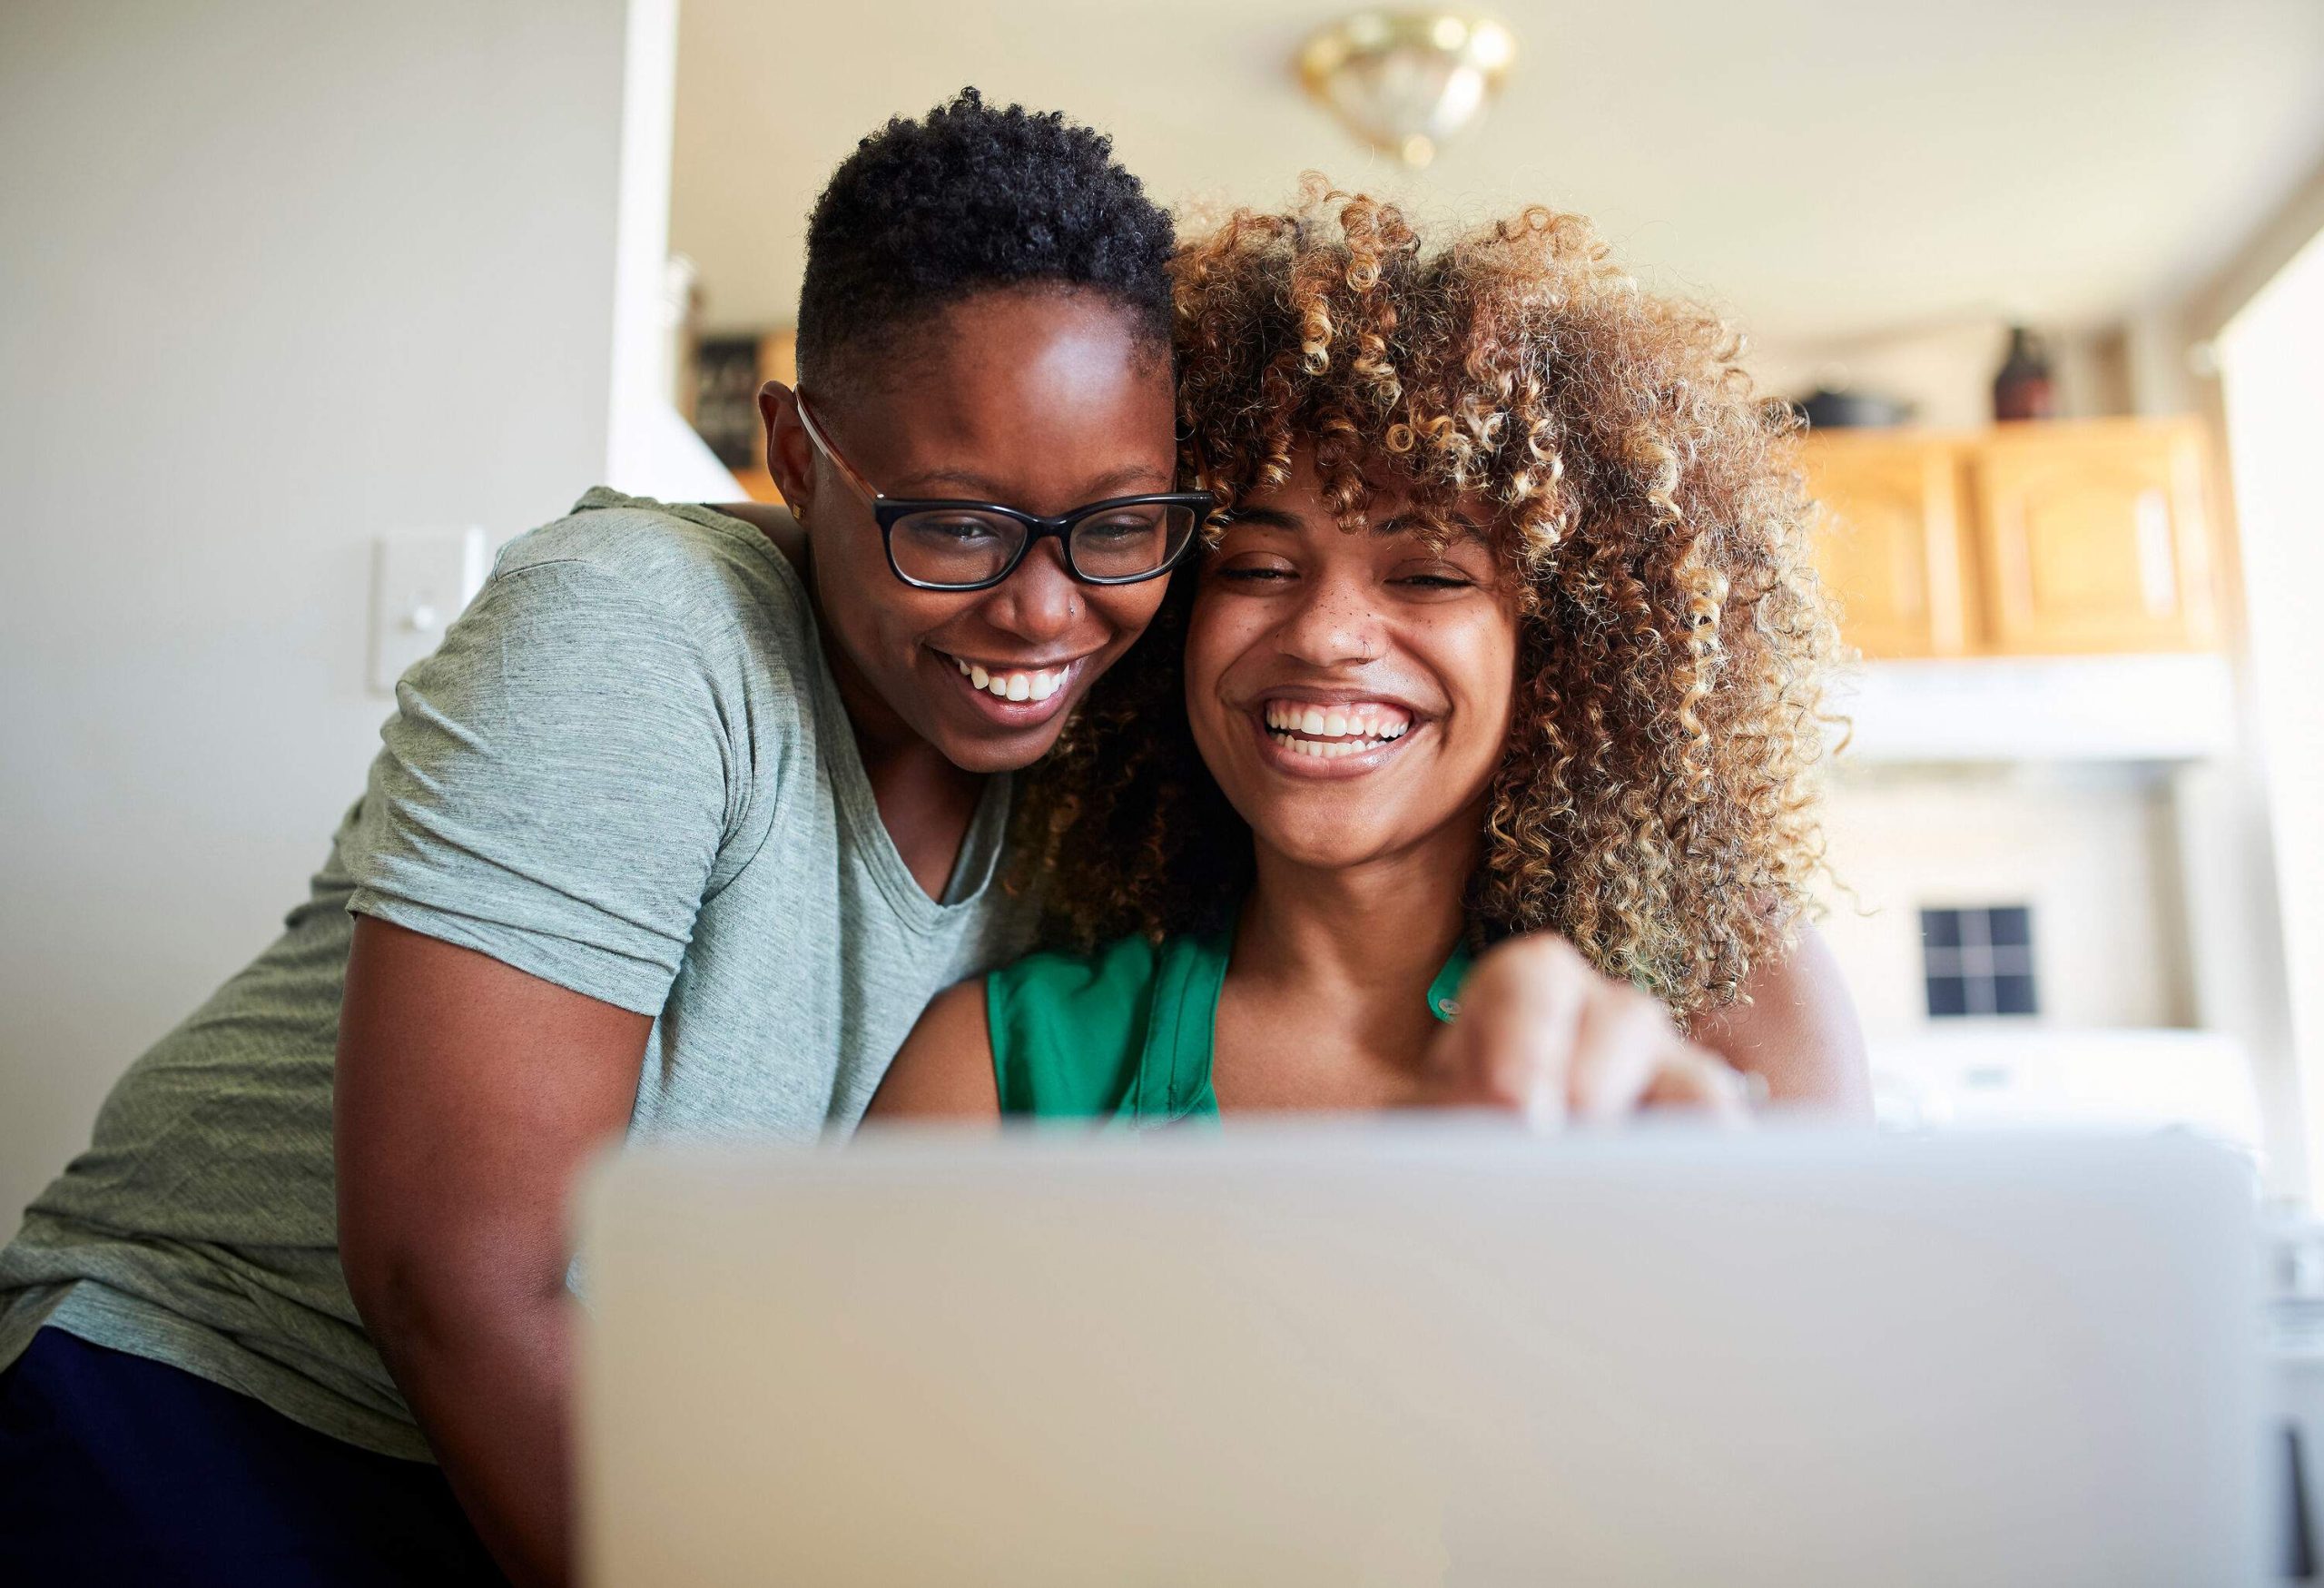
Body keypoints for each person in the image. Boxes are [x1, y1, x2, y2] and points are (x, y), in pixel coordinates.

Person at [0, 92, 1196, 1587]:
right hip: (213, 1394)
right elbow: (454, 1283)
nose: (1043, 608)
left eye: (1119, 524)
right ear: (796, 454)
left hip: (570, 1453)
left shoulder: (1096, 775)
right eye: (954, 523)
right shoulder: (638, 626)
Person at [872, 188, 1870, 1125]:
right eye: (1257, 566)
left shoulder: (1733, 1000)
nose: (1320, 633)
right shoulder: (996, 1074)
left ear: (1564, 642)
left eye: (1428, 576)